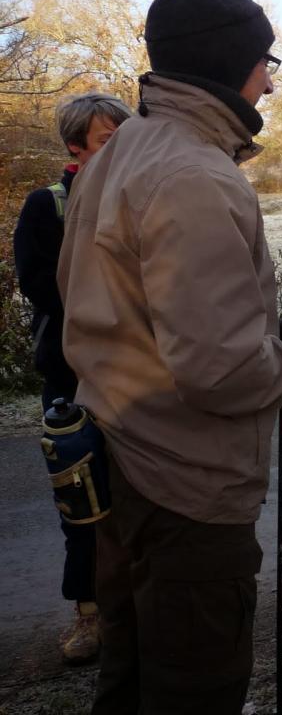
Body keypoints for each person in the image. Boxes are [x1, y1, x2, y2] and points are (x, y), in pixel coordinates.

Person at [57, 0, 282, 714]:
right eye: (265, 65)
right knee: (193, 688)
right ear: (231, 65)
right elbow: (220, 372)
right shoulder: (195, 174)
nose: (269, 88)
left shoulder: (120, 152)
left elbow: (104, 300)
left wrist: (258, 330)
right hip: (186, 487)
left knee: (131, 671)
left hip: (121, 460)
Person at [13, 91, 131, 665]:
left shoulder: (141, 197)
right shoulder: (46, 205)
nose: (120, 150)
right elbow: (39, 287)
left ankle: (136, 606)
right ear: (75, 146)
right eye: (109, 140)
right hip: (71, 374)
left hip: (138, 376)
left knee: (141, 493)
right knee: (82, 497)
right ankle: (88, 615)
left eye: (125, 139)